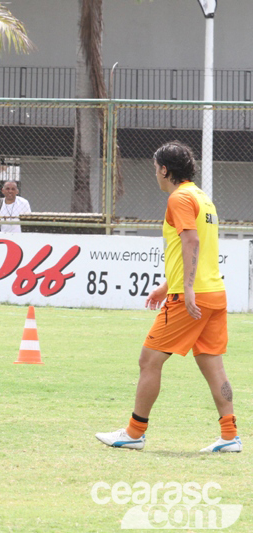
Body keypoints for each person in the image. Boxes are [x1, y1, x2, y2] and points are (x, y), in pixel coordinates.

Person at [96, 141, 240, 453]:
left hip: (194, 296)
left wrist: (185, 288)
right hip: (214, 293)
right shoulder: (202, 197)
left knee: (149, 360)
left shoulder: (179, 197)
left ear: (165, 169)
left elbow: (190, 240)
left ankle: (134, 432)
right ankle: (230, 436)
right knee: (213, 365)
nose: (155, 175)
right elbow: (197, 245)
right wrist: (168, 285)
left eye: (155, 169)